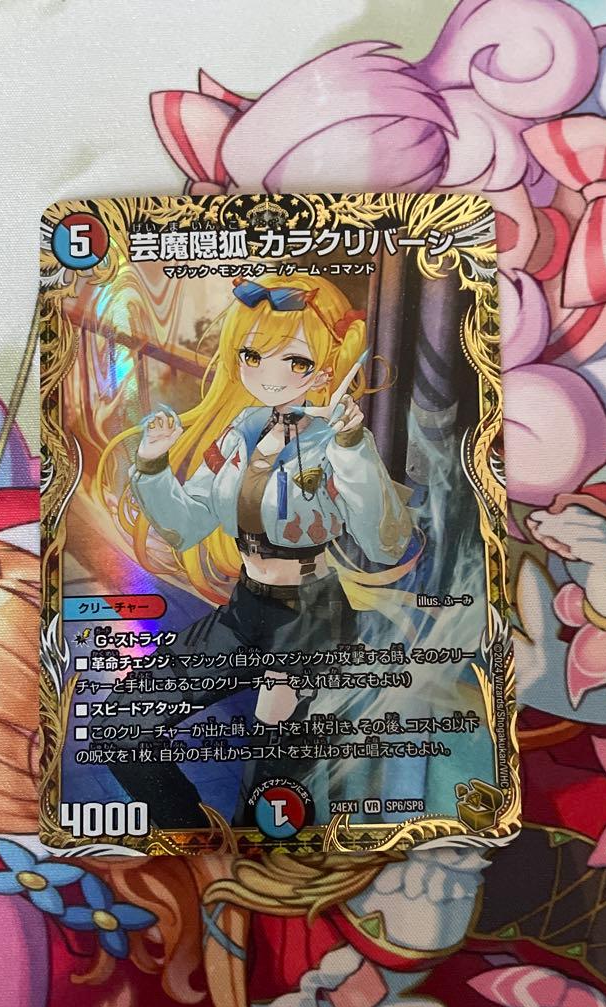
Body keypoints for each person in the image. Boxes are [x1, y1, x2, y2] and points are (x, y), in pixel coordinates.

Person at [95, 273, 414, 826]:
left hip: (310, 618)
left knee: (271, 780)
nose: (268, 374)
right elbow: (188, 523)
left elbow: (384, 541)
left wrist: (351, 448)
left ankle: (252, 853)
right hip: (247, 607)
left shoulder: (338, 441)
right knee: (121, 723)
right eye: (251, 355)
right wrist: (152, 463)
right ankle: (191, 833)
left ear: (327, 366)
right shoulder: (242, 429)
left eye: (293, 360)